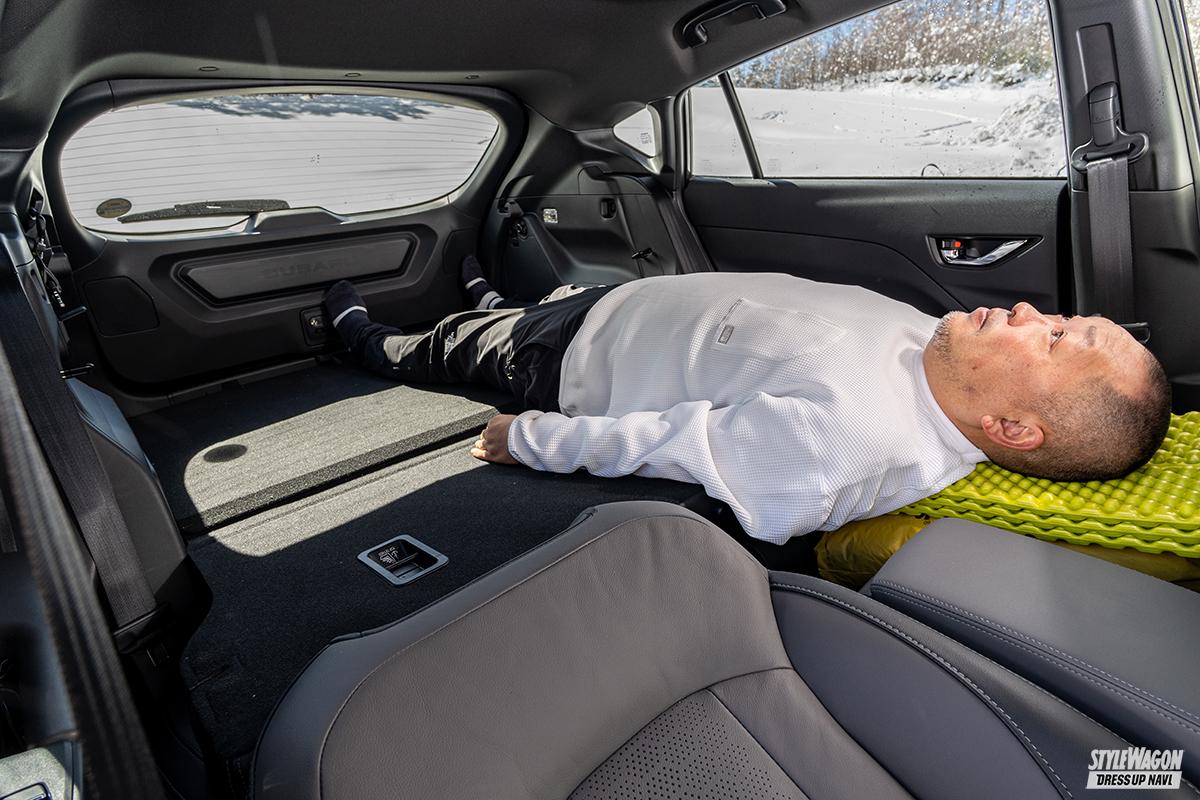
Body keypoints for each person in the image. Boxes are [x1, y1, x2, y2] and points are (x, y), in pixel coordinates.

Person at [322, 259, 1171, 545]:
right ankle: (500, 299)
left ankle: (370, 343)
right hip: (629, 304)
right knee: (526, 304)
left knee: (460, 346)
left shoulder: (851, 441)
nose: (1029, 312)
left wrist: (529, 439)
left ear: (1012, 427)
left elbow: (668, 444)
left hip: (578, 355)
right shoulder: (946, 356)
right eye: (1062, 319)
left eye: (1053, 341)